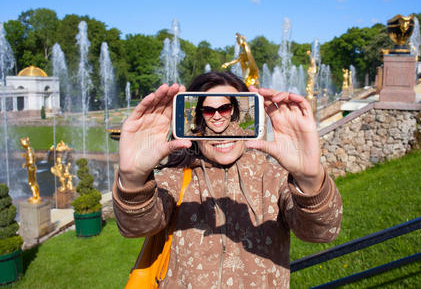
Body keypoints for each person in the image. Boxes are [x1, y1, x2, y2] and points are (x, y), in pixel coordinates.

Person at [113, 71, 342, 288]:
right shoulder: (173, 179)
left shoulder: (273, 178)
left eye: (227, 109)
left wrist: (310, 180)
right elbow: (136, 226)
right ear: (194, 123)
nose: (219, 124)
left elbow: (322, 232)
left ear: (243, 116)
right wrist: (133, 179)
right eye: (207, 112)